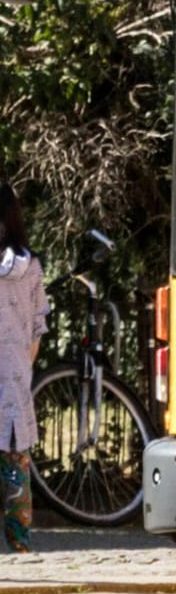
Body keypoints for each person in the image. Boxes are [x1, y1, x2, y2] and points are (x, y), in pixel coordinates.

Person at [0, 181, 48, 554]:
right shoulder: (30, 266)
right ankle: (20, 544)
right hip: (13, 387)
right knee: (17, 470)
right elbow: (36, 330)